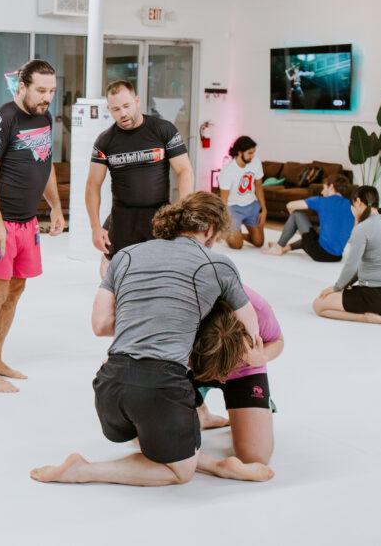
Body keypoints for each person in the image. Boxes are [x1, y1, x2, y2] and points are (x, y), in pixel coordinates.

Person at [30, 192, 272, 486]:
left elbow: (100, 325)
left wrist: (147, 315)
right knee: (179, 472)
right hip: (161, 388)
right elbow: (250, 335)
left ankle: (212, 462)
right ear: (209, 229)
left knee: (155, 440)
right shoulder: (217, 264)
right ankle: (85, 470)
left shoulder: (126, 255)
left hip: (109, 388)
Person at [0, 59, 65, 393]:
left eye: (51, 91)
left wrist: (55, 206)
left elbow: (45, 162)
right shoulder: (0, 120)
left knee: (16, 290)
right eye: (41, 90)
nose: (46, 97)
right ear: (21, 87)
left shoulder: (45, 117)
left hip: (27, 224)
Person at [86, 79, 194, 274]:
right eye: (116, 109)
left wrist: (183, 214)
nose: (123, 113)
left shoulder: (163, 130)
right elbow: (93, 185)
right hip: (122, 218)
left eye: (127, 106)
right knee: (112, 275)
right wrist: (95, 227)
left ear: (136, 101)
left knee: (159, 275)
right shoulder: (105, 141)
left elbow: (184, 170)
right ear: (110, 110)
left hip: (158, 216)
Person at [194, 285, 283, 465]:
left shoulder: (257, 308)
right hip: (193, 365)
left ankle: (256, 406)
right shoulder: (182, 309)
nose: (221, 378)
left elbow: (278, 341)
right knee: (160, 442)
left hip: (246, 368)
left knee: (255, 457)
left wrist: (261, 357)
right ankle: (200, 410)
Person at [312, 186, 381, 326]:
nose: (352, 211)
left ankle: (368, 317)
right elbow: (359, 269)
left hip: (372, 297)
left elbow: (351, 265)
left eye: (352, 206)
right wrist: (343, 286)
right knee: (335, 297)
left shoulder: (362, 228)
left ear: (358, 202)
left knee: (318, 305)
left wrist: (336, 288)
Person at [262, 173, 353, 261]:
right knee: (316, 231)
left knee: (296, 215)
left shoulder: (322, 201)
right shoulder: (351, 206)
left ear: (331, 187)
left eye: (324, 188)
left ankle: (278, 247)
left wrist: (294, 223)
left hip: (319, 254)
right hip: (337, 256)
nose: (322, 192)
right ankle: (287, 247)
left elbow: (290, 205)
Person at [217, 136, 267, 249]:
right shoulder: (227, 171)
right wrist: (220, 223)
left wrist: (264, 210)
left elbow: (259, 186)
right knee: (237, 245)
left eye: (253, 153)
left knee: (259, 242)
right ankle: (228, 234)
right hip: (233, 208)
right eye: (249, 153)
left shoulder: (256, 162)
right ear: (240, 152)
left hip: (251, 206)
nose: (252, 156)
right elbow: (224, 200)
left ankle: (237, 235)